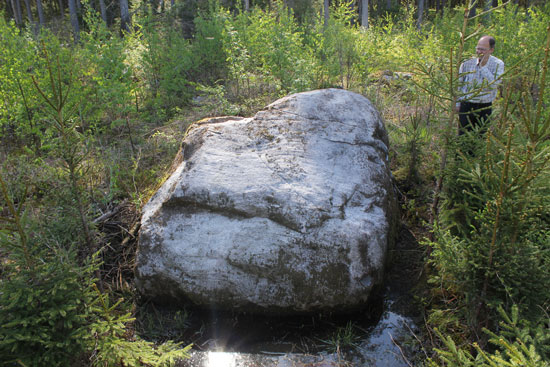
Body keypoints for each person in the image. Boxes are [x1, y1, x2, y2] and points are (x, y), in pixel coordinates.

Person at [456, 35, 504, 135]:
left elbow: (494, 85)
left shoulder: (498, 64)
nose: (479, 52)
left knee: (480, 137)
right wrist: (457, 104)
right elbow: (459, 84)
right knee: (463, 136)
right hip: (466, 105)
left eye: (483, 49)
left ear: (491, 50)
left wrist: (483, 67)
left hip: (484, 106)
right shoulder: (466, 62)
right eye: (478, 48)